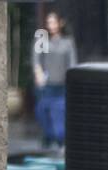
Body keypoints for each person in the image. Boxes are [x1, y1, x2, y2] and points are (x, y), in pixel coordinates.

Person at [33, 11, 77, 150]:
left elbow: (72, 63)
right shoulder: (42, 39)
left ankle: (60, 141)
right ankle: (48, 138)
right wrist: (38, 72)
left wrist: (70, 80)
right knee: (43, 111)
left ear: (60, 23)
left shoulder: (67, 42)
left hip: (61, 85)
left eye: (53, 22)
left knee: (59, 114)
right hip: (46, 85)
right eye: (48, 22)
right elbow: (36, 59)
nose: (50, 25)